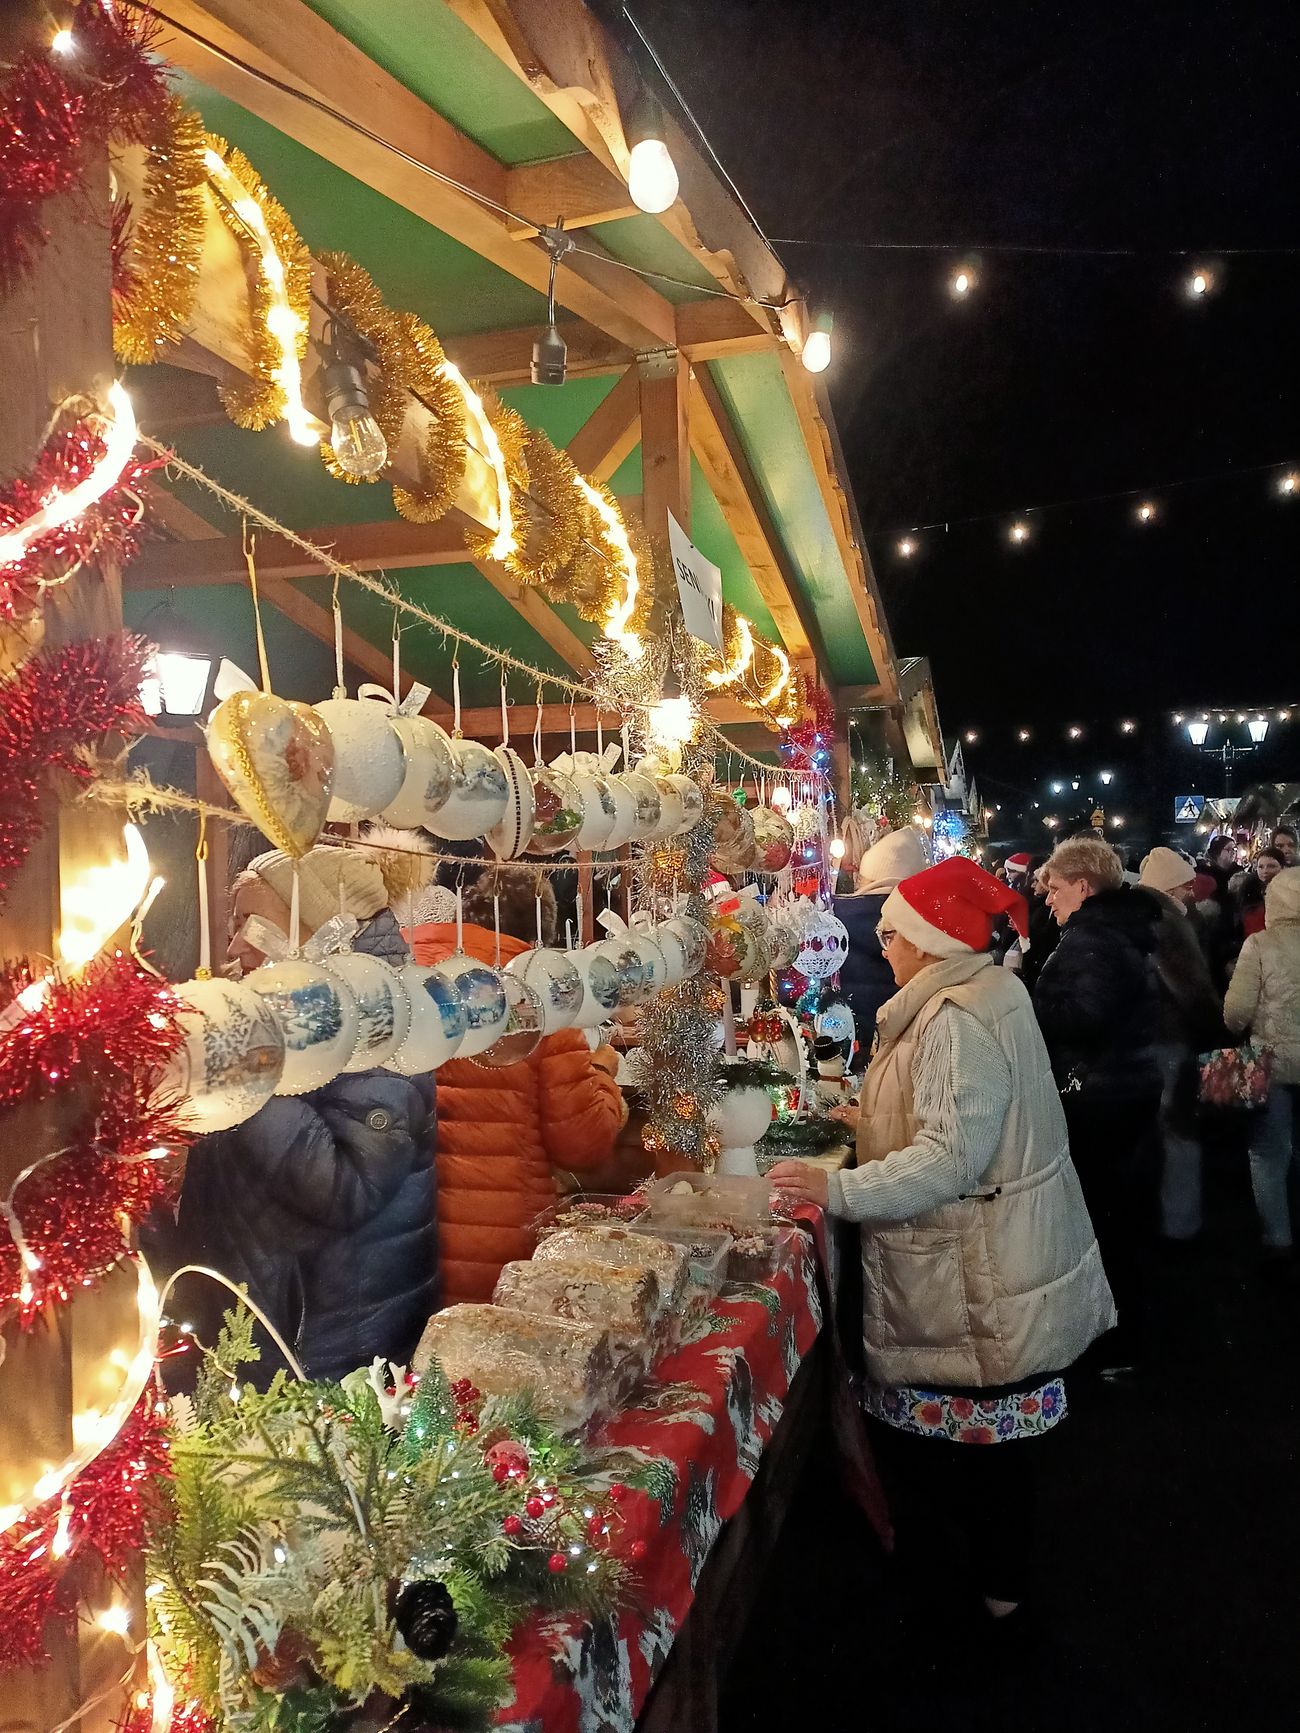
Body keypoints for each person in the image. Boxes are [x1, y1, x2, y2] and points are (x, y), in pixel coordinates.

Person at [770, 858, 1113, 1627]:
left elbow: (951, 1157)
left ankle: (989, 1605)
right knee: (988, 1452)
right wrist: (872, 1119)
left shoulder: (955, 1016)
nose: (882, 945)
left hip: (980, 1269)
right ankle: (993, 1585)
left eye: (892, 933)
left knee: (984, 1454)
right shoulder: (985, 991)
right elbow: (963, 1118)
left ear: (930, 941)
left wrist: (837, 1189)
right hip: (994, 1256)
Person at [153, 840, 439, 1384]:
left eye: (252, 923)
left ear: (318, 925)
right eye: (234, 924)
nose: (236, 944)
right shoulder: (284, 1012)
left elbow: (348, 1187)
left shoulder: (379, 1027)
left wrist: (245, 1075)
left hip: (322, 1352)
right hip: (255, 1323)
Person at [409, 866, 628, 1304]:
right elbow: (583, 1143)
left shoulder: (404, 976)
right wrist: (603, 1073)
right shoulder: (543, 998)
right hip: (500, 1248)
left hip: (403, 1243)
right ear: (541, 932)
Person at [1033, 836, 1161, 1373]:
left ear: (1083, 887)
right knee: (1120, 1215)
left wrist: (1028, 1000)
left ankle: (1113, 1339)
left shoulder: (1093, 938)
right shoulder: (1111, 931)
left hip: (1100, 1096)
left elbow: (1084, 1016)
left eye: (1055, 888)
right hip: (1121, 1087)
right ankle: (1121, 1331)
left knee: (1106, 1217)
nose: (1047, 898)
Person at [1138, 847, 1228, 1243]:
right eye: (1186, 886)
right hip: (1170, 1038)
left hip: (1142, 1039)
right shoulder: (1168, 922)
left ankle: (1154, 1219)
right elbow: (1192, 990)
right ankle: (1181, 1224)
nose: (1193, 892)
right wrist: (1216, 1028)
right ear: (1170, 887)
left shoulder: (1137, 916)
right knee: (1179, 1133)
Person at [1224, 867, 1300, 1258]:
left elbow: (1236, 1013)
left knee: (1267, 1153)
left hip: (1269, 1064)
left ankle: (1277, 1239)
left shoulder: (1259, 945)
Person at [832, 826, 928, 1069]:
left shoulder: (835, 917)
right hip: (908, 1042)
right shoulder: (923, 923)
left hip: (844, 1037)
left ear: (869, 876)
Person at [1237, 847, 1286, 940]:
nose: (1265, 871)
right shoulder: (1248, 890)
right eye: (1261, 867)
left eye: (1271, 866)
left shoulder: (1290, 893)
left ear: (1282, 867)